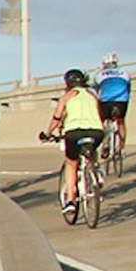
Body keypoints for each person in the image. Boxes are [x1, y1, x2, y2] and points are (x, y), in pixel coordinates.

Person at [45, 67, 104, 215]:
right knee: (90, 149)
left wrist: (48, 133)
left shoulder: (67, 96)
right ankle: (96, 170)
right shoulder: (92, 95)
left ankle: (70, 200)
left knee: (72, 163)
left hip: (74, 132)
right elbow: (99, 114)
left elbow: (57, 117)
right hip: (97, 131)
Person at [93, 52, 131, 150]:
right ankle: (122, 146)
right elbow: (128, 88)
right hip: (122, 100)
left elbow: (95, 90)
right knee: (121, 121)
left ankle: (105, 143)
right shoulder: (125, 72)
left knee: (103, 121)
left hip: (106, 100)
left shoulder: (100, 74)